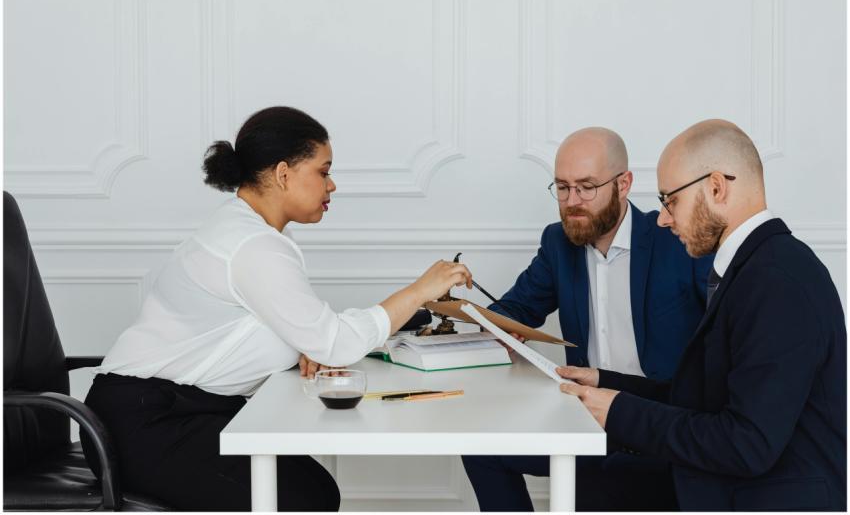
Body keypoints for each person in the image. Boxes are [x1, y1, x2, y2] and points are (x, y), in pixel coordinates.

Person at [80, 106, 473, 511]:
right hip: (143, 427)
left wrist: (306, 343)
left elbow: (285, 327)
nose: (332, 185)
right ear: (284, 173)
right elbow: (334, 343)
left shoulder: (244, 230)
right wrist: (419, 291)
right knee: (303, 498)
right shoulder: (254, 246)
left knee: (310, 491)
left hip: (172, 412)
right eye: (324, 171)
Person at [559, 119, 846, 511]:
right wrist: (604, 381)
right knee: (590, 483)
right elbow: (704, 397)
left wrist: (618, 412)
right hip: (731, 485)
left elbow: (747, 445)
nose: (661, 218)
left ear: (716, 187)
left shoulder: (777, 279)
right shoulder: (754, 267)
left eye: (669, 200)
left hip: (767, 498)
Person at [462, 127, 713, 511]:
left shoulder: (676, 238)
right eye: (562, 187)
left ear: (624, 183)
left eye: (586, 187)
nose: (572, 201)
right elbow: (515, 309)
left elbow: (722, 344)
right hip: (587, 419)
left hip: (662, 423)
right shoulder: (559, 243)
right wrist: (494, 325)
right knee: (481, 446)